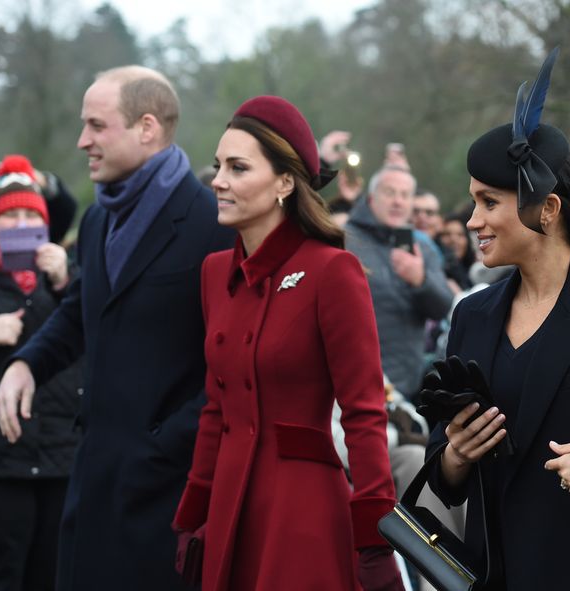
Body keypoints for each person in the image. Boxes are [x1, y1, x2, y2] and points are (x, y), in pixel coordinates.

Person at [0, 66, 233, 591]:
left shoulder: (212, 224)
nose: (83, 141)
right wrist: (26, 363)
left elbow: (232, 365)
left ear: (146, 127)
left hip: (168, 490)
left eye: (97, 126)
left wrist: (164, 445)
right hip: (93, 477)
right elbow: (80, 310)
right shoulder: (99, 217)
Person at [171, 95, 402, 591]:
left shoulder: (332, 271)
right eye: (218, 166)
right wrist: (192, 515)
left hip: (302, 513)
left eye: (237, 167)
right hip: (228, 505)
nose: (218, 180)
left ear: (284, 182)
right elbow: (217, 408)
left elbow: (363, 413)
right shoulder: (215, 274)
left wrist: (377, 538)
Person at [424, 48, 570, 591]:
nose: (472, 220)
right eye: (472, 203)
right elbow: (442, 463)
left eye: (489, 202)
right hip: (491, 573)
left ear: (548, 210)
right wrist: (454, 457)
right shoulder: (472, 315)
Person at [0, 155, 81, 591]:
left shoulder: (60, 278)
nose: (20, 223)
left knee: (52, 574)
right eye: (10, 215)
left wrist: (65, 283)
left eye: (30, 215)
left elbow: (95, 334)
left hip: (60, 454)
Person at [345, 165, 453, 398]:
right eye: (390, 192)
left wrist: (420, 280)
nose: (398, 201)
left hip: (406, 386)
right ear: (372, 198)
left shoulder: (422, 246)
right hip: (352, 380)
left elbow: (443, 308)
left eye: (405, 195)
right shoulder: (343, 240)